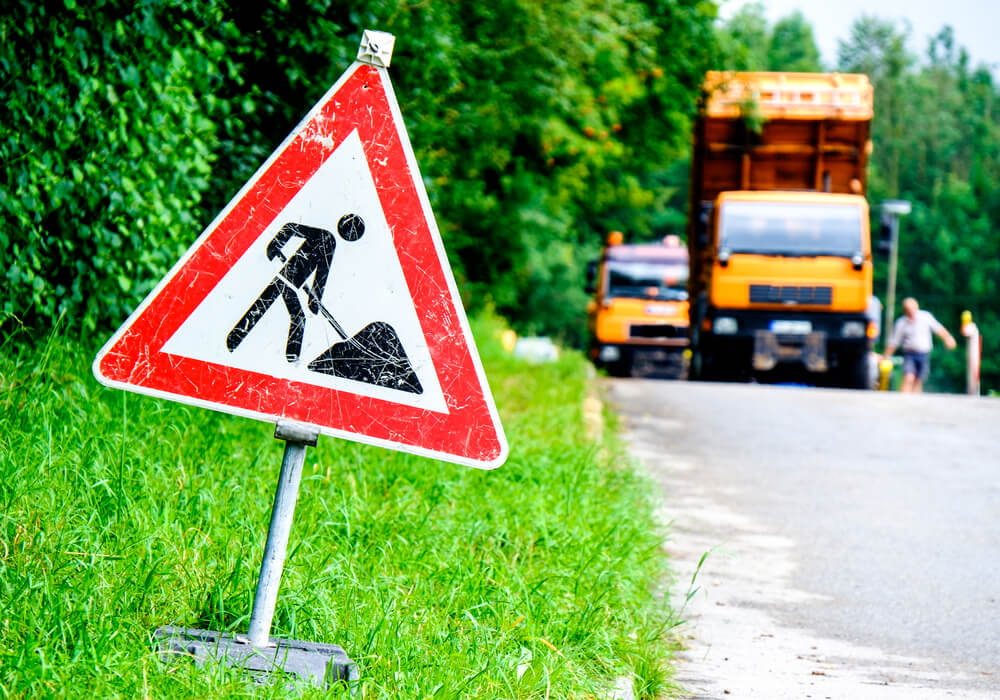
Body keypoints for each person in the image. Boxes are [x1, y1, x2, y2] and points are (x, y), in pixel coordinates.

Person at [227, 214, 365, 362]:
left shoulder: (329, 242)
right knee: (274, 309)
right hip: (284, 277)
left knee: (285, 312)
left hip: (291, 283)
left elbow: (321, 274)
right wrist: (275, 246)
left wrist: (314, 299)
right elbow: (291, 228)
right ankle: (236, 339)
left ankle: (238, 339)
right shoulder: (326, 238)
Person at [882, 297, 956, 393]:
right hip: (909, 354)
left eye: (912, 309)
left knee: (919, 380)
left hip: (924, 354)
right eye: (908, 310)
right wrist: (886, 356)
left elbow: (938, 329)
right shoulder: (901, 323)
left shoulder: (925, 317)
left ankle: (915, 402)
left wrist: (948, 338)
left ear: (917, 307)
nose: (911, 312)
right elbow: (894, 342)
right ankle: (902, 399)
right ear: (904, 311)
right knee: (909, 377)